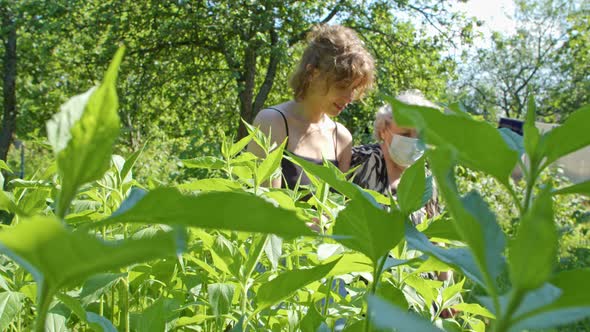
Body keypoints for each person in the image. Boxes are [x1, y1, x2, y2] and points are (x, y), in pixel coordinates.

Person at [248, 24, 375, 189]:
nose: (349, 98)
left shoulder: (342, 138)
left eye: (354, 89)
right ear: (313, 73)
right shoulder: (272, 122)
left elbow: (337, 206)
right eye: (343, 86)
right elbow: (265, 204)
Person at [350, 89, 439, 225]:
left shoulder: (426, 181)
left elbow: (434, 236)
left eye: (421, 136)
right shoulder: (359, 161)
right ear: (384, 131)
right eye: (405, 134)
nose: (414, 141)